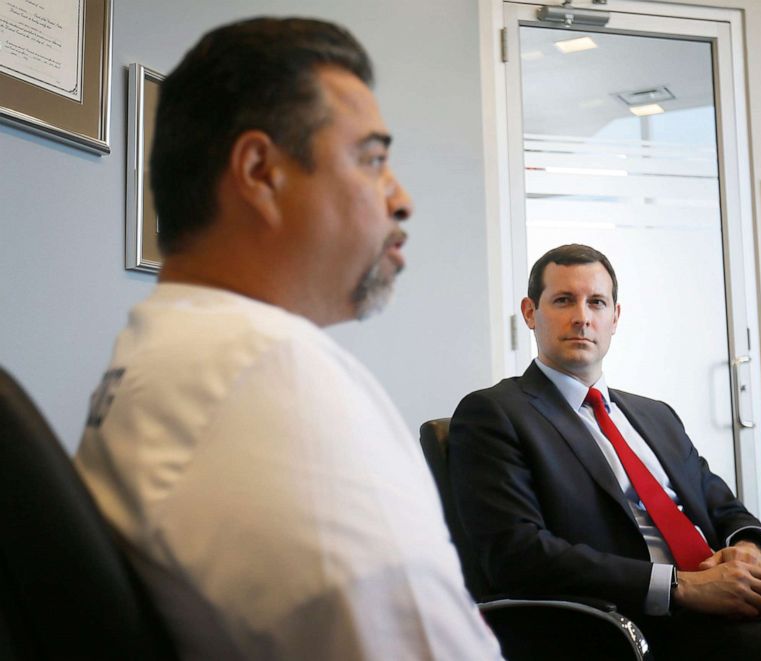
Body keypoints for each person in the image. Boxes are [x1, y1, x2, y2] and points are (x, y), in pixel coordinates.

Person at [75, 18, 501, 660]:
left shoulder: (160, 355)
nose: (402, 199)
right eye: (374, 161)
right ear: (261, 172)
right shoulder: (272, 375)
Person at [448, 243, 761, 660]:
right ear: (531, 312)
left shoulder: (654, 415)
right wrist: (682, 588)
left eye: (596, 302)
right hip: (640, 610)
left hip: (727, 570)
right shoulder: (495, 413)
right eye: (563, 301)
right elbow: (518, 555)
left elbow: (722, 504)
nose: (582, 317)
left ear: (615, 317)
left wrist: (749, 549)